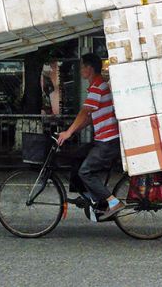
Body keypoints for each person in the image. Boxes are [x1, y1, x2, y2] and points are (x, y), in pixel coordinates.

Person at [57, 53, 124, 220]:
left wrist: (69, 132)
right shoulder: (99, 86)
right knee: (79, 158)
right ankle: (95, 201)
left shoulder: (97, 87)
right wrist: (74, 129)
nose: (80, 70)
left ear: (89, 68)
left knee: (85, 171)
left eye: (82, 67)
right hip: (105, 139)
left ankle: (113, 202)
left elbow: (85, 111)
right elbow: (89, 117)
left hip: (107, 141)